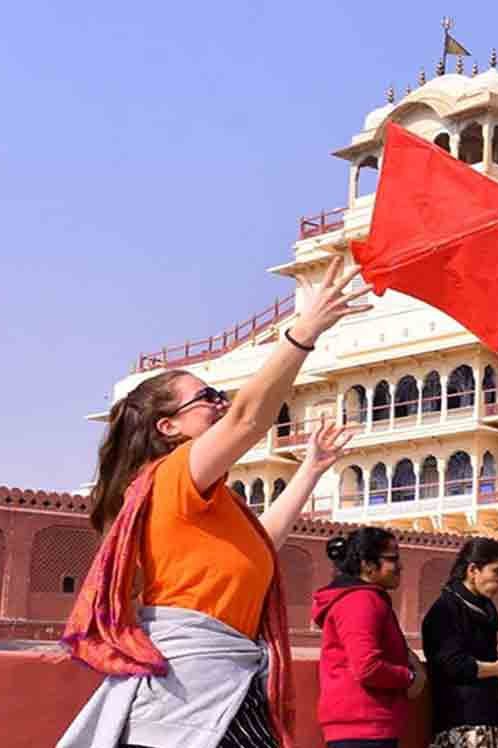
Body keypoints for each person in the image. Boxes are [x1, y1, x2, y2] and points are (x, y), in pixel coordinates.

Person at [59, 258, 369, 748]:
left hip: (217, 685)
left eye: (220, 395)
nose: (221, 403)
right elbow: (248, 419)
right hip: (193, 688)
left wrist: (311, 469)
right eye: (207, 397)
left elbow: (261, 544)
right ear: (168, 427)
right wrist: (304, 331)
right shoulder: (172, 474)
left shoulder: (210, 499)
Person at [314, 527, 426, 748]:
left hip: (364, 726)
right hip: (363, 728)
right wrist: (410, 677)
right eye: (392, 559)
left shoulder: (364, 599)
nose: (400, 566)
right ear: (367, 565)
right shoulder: (360, 601)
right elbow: (367, 667)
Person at [423, 538, 498, 748]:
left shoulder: (483, 609)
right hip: (462, 722)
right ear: (473, 570)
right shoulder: (446, 610)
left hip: (493, 718)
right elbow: (451, 664)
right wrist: (496, 669)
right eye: (496, 571)